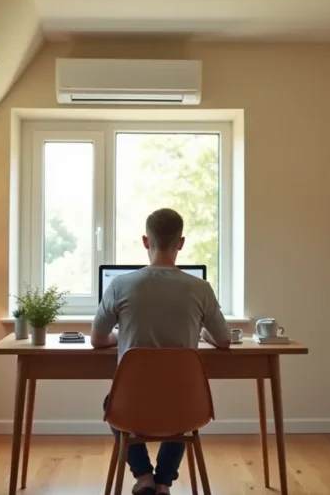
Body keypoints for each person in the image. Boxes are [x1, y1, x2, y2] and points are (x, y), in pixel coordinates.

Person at [91, 208, 231, 495]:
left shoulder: (120, 285)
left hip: (131, 406)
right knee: (181, 404)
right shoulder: (201, 288)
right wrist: (202, 331)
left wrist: (124, 336)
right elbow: (225, 341)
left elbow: (97, 339)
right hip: (185, 407)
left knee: (111, 404)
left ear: (145, 241)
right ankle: (164, 482)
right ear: (181, 243)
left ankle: (143, 477)